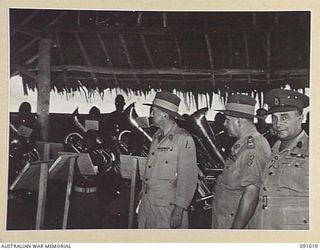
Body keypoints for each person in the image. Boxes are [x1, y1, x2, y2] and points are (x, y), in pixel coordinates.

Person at [137, 91, 198, 229]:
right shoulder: (157, 136)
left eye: (153, 111)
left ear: (164, 114)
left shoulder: (183, 138)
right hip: (149, 203)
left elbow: (187, 178)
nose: (151, 115)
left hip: (167, 208)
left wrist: (179, 210)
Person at [211, 94, 271, 229]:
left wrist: (236, 231)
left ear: (239, 121)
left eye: (227, 120)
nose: (224, 124)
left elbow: (251, 193)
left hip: (234, 222)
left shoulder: (253, 148)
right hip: (226, 217)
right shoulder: (242, 145)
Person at [255, 89, 309, 229]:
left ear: (300, 118)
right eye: (274, 118)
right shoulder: (275, 149)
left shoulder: (312, 150)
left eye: (284, 117)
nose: (278, 124)